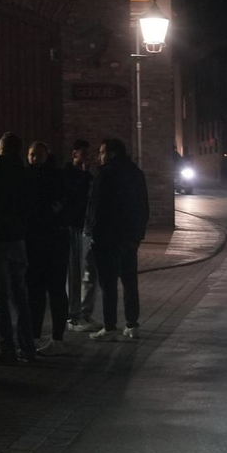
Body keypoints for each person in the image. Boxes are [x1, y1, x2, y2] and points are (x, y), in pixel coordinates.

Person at [86, 138, 150, 341]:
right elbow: (143, 207)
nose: (100, 156)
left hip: (106, 238)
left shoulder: (104, 175)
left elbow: (96, 207)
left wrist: (92, 231)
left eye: (102, 152)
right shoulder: (135, 173)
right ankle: (132, 324)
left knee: (108, 283)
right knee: (130, 282)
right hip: (129, 238)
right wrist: (137, 235)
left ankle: (110, 326)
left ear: (111, 154)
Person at [0, 132, 35, 363]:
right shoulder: (25, 175)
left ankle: (7, 349)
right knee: (21, 295)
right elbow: (30, 206)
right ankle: (28, 347)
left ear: (1, 149)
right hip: (18, 239)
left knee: (1, 297)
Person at [23, 141, 70, 355]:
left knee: (51, 291)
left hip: (48, 240)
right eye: (32, 155)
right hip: (44, 240)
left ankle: (53, 337)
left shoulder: (49, 177)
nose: (35, 159)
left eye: (38, 155)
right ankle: (38, 335)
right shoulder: (38, 176)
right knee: (39, 292)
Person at [63, 139, 100, 333]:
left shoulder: (89, 176)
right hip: (74, 227)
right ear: (74, 154)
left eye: (88, 154)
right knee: (75, 272)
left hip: (88, 228)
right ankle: (73, 316)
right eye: (82, 154)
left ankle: (85, 313)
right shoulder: (69, 175)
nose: (87, 158)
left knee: (91, 272)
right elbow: (74, 200)